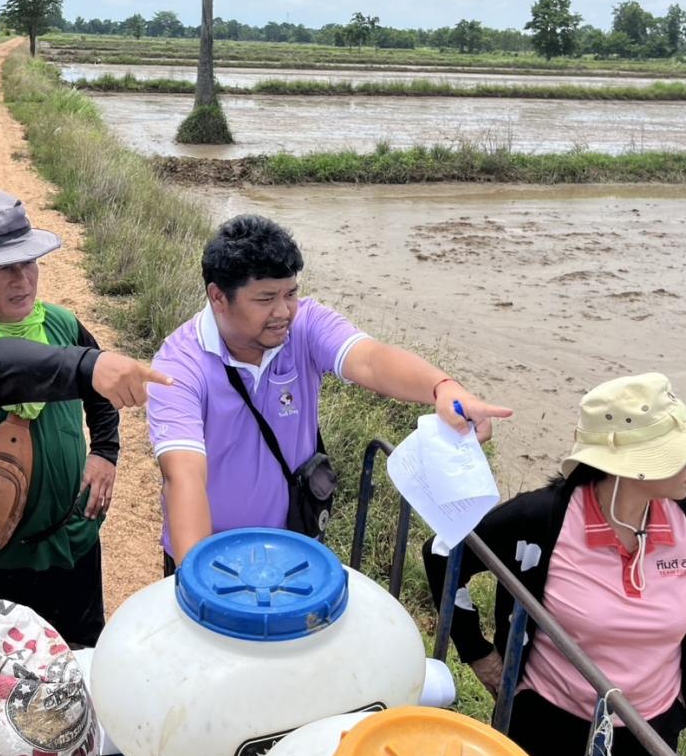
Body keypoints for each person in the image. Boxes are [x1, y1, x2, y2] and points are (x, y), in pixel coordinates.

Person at [425, 373, 686, 756]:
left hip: (651, 731)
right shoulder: (543, 520)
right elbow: (443, 554)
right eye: (681, 454)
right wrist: (479, 654)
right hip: (544, 723)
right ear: (632, 464)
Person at [147, 214, 512, 569]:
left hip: (294, 550)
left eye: (291, 293)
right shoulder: (179, 366)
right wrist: (197, 580)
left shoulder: (305, 326)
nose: (283, 311)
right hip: (212, 558)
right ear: (218, 297)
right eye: (265, 298)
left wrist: (442, 387)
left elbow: (370, 360)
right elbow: (184, 476)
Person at [0, 188, 170, 647]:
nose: (22, 280)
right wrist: (89, 365)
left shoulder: (61, 324)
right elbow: (7, 365)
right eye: (0, 268)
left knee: (81, 660)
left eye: (28, 262)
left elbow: (97, 397)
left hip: (71, 542)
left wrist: (106, 453)